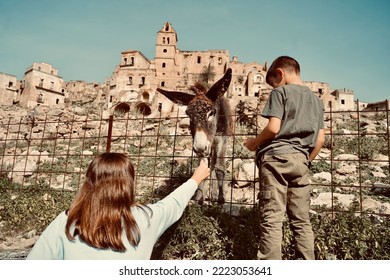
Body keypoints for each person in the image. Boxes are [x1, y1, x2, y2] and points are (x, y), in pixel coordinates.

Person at [26, 152, 210, 259]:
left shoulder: (67, 221)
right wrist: (196, 178)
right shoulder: (146, 219)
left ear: (89, 182)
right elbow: (173, 203)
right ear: (129, 184)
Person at [244, 56, 325, 260]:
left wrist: (254, 143)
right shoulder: (316, 100)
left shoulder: (280, 93)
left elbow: (273, 128)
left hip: (276, 160)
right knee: (301, 221)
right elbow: (321, 140)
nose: (273, 87)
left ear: (279, 73)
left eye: (273, 83)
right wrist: (306, 160)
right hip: (301, 161)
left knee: (272, 219)